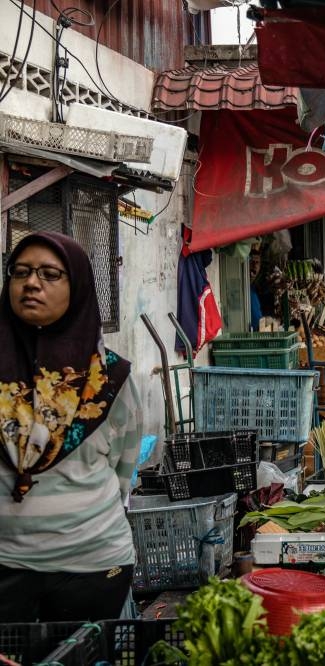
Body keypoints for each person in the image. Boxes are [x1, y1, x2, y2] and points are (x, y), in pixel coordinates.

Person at [0, 231, 140, 621]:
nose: (31, 283)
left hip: (91, 566)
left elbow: (124, 468)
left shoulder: (112, 379)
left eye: (50, 274)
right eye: (21, 272)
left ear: (76, 287)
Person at [248, 249, 263, 331]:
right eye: (252, 262)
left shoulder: (254, 287)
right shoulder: (243, 286)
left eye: (257, 263)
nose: (255, 266)